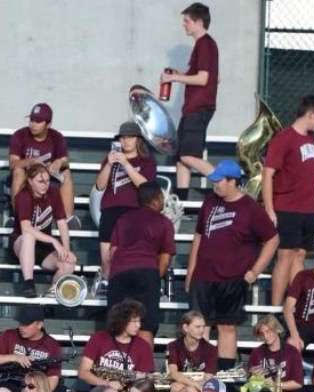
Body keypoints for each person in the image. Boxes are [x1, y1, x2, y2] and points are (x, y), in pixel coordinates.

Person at [186, 159, 279, 371]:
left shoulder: (250, 208)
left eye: (219, 181)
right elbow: (199, 236)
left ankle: (224, 375)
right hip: (204, 276)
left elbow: (273, 240)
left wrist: (254, 272)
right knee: (200, 326)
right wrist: (191, 270)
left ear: (232, 181)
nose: (215, 184)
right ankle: (203, 371)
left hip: (232, 278)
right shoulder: (210, 202)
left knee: (227, 327)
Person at [263, 95, 314, 306]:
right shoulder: (283, 138)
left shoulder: (311, 139)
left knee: (300, 255)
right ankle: (275, 308)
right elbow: (268, 174)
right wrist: (270, 209)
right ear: (309, 114)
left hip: (309, 208)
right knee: (285, 256)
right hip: (287, 208)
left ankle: (293, 306)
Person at [162, 1, 219, 201]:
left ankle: (225, 182)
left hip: (198, 108)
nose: (184, 25)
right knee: (181, 159)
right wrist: (182, 74)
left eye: (186, 21)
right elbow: (212, 77)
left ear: (198, 22)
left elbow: (203, 79)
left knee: (188, 157)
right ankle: (181, 203)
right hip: (193, 108)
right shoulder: (204, 45)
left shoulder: (204, 44)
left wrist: (174, 78)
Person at [0, 302, 76, 392]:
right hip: (15, 383)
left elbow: (53, 378)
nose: (21, 327)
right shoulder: (10, 335)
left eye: (26, 324)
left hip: (41, 387)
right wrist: (14, 357)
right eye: (20, 323)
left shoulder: (52, 344)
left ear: (39, 324)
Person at [105, 182, 175, 342]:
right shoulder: (164, 222)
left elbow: (113, 252)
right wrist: (156, 279)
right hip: (146, 271)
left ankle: (116, 365)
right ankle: (144, 366)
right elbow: (165, 257)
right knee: (145, 326)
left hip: (119, 272)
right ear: (156, 199)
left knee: (118, 325)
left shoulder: (123, 219)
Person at [78, 299, 156, 392]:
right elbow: (83, 372)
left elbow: (145, 381)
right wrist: (107, 383)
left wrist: (138, 379)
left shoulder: (143, 346)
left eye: (139, 321)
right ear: (122, 321)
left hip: (130, 390)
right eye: (134, 321)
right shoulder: (99, 338)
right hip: (102, 389)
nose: (139, 325)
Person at [12, 162, 77, 298]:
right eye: (40, 181)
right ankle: (28, 283)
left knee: (70, 263)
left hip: (43, 246)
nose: (45, 185)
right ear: (30, 181)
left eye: (47, 181)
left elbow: (62, 223)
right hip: (22, 243)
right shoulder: (23, 196)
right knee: (29, 236)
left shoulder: (53, 192)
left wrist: (65, 249)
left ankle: (52, 292)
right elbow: (26, 228)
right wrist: (54, 241)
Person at [96, 121, 158, 264]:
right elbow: (100, 186)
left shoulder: (146, 161)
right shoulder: (110, 158)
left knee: (130, 257)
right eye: (123, 138)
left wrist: (126, 164)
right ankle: (106, 282)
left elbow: (145, 186)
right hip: (110, 210)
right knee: (106, 259)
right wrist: (109, 164)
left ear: (138, 139)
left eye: (130, 137)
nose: (126, 141)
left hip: (134, 211)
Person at [9, 102, 77, 223]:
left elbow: (66, 162)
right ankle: (18, 218)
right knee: (18, 171)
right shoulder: (19, 135)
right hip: (27, 177)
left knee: (66, 173)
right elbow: (13, 164)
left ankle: (68, 219)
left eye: (38, 121)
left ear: (48, 124)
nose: (33, 124)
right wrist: (31, 162)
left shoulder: (57, 137)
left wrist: (58, 162)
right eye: (31, 120)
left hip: (48, 177)